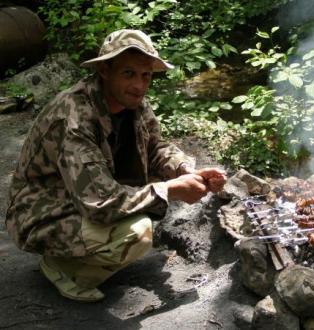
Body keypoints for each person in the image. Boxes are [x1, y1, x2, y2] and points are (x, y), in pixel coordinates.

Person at [5, 29, 226, 302]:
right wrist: (171, 189)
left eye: (146, 76)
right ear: (105, 71)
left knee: (150, 194)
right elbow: (102, 202)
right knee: (137, 233)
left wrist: (184, 170)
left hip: (81, 194)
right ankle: (64, 269)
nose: (139, 85)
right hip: (38, 212)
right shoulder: (74, 117)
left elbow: (155, 146)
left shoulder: (133, 104)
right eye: (129, 73)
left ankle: (81, 254)